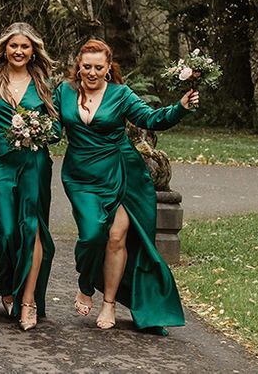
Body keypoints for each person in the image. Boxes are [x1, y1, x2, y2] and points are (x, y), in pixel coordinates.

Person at [53, 38, 198, 333]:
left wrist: (180, 107)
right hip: (81, 177)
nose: (91, 72)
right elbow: (54, 131)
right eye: (86, 67)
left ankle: (109, 302)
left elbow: (151, 118)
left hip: (122, 173)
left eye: (98, 67)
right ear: (78, 66)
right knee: (92, 235)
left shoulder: (120, 94)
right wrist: (31, 130)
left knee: (117, 237)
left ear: (108, 69)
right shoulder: (64, 92)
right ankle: (85, 283)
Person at [0, 22, 57, 331]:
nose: (19, 51)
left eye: (25, 46)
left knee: (30, 227)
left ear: (34, 50)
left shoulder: (44, 82)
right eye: (13, 46)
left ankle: (28, 300)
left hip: (34, 161)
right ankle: (6, 284)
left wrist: (43, 132)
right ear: (4, 48)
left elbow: (56, 124)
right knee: (7, 231)